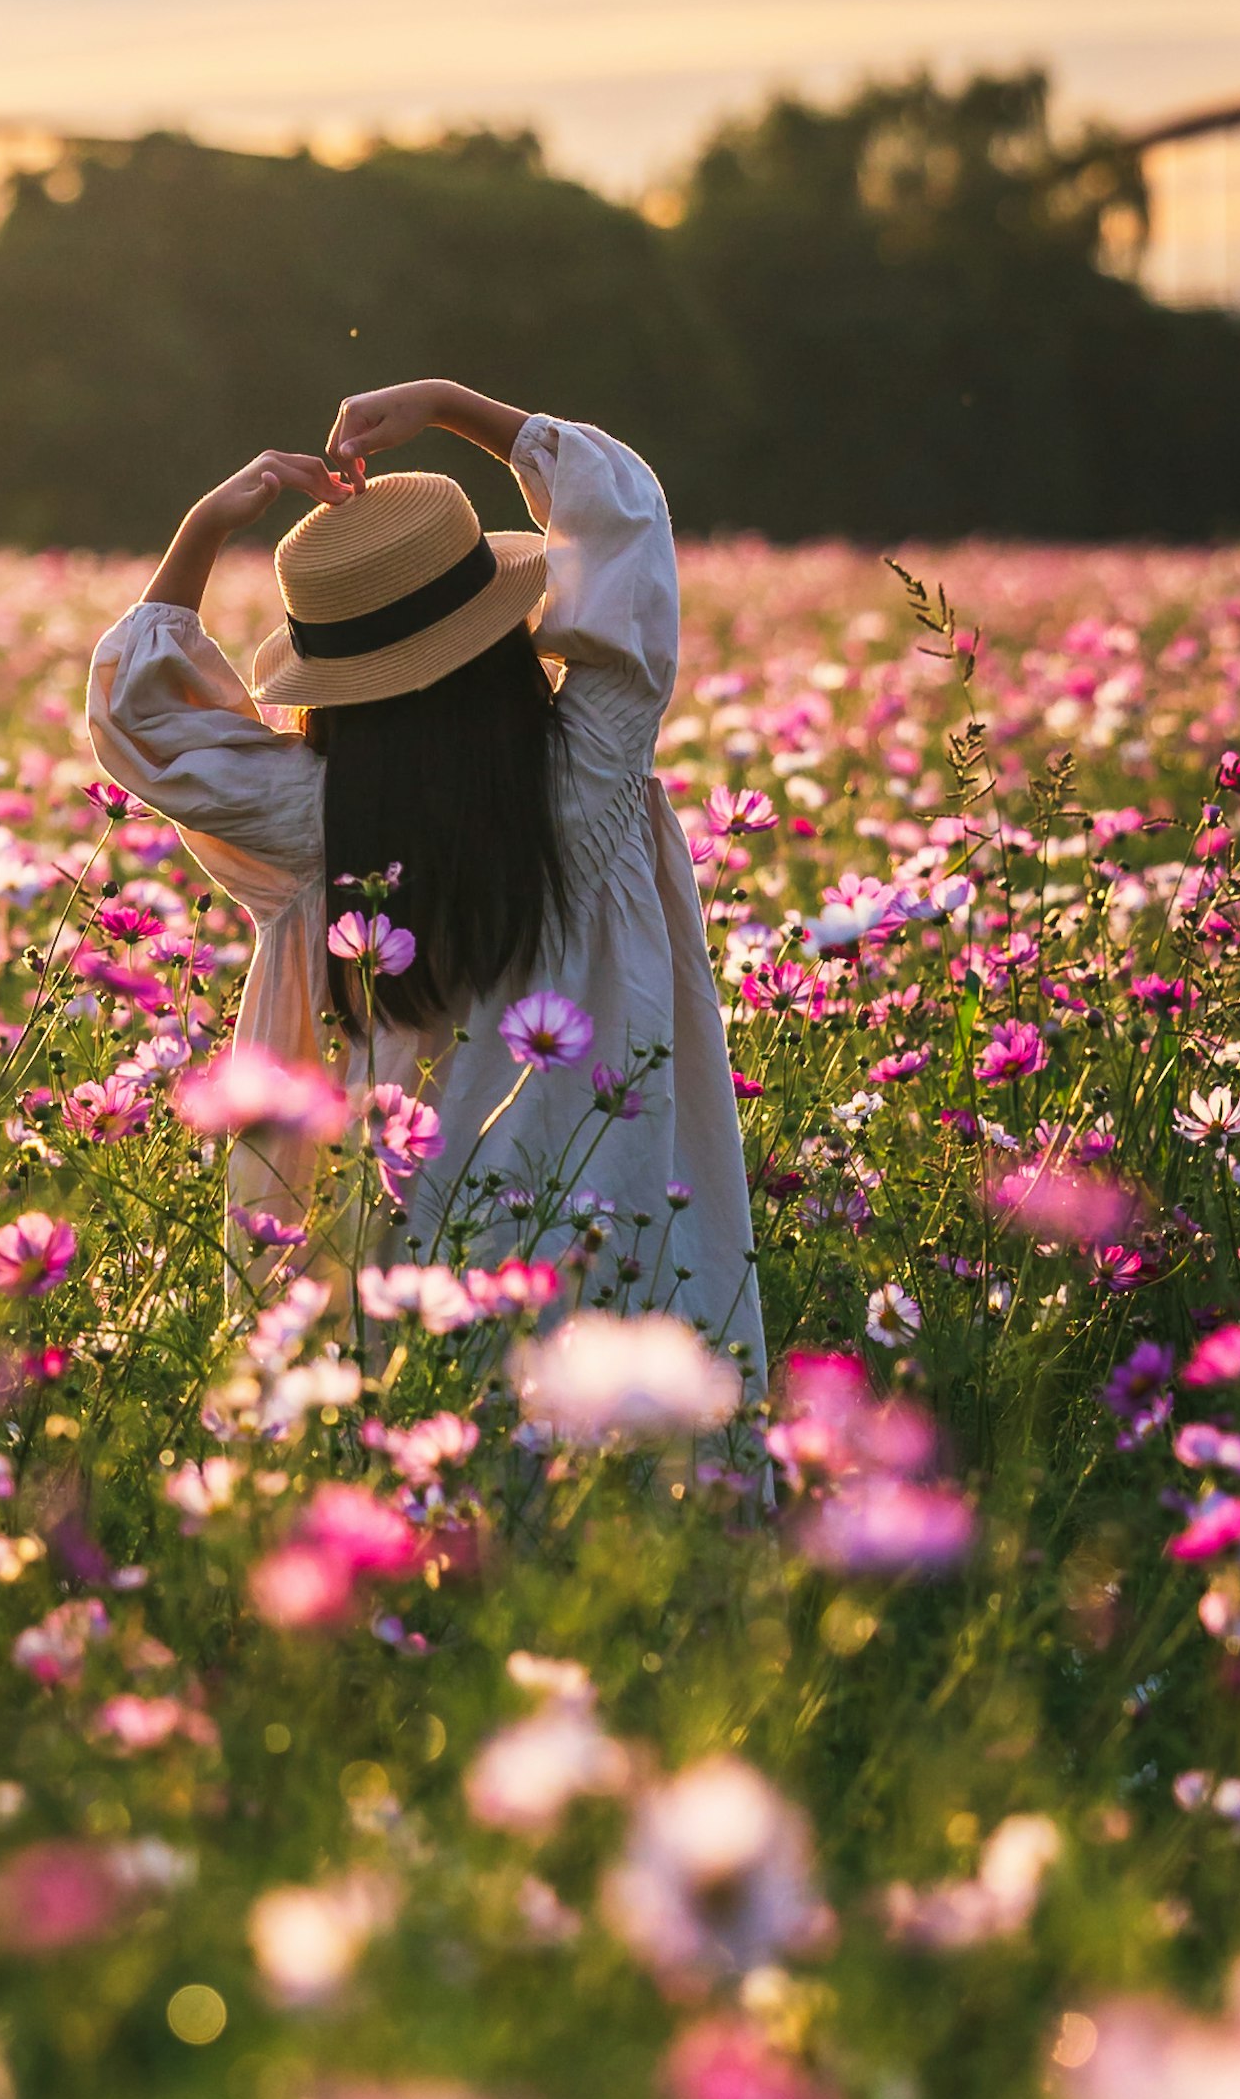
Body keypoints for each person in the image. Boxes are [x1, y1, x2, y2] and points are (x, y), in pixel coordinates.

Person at [77, 372, 763, 1391]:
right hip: (597, 1211)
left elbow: (141, 727)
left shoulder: (319, 820)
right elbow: (626, 523)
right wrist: (453, 406)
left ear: (334, 680)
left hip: (408, 1235)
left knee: (435, 1471)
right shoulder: (590, 772)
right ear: (498, 630)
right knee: (606, 1474)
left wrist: (204, 526)